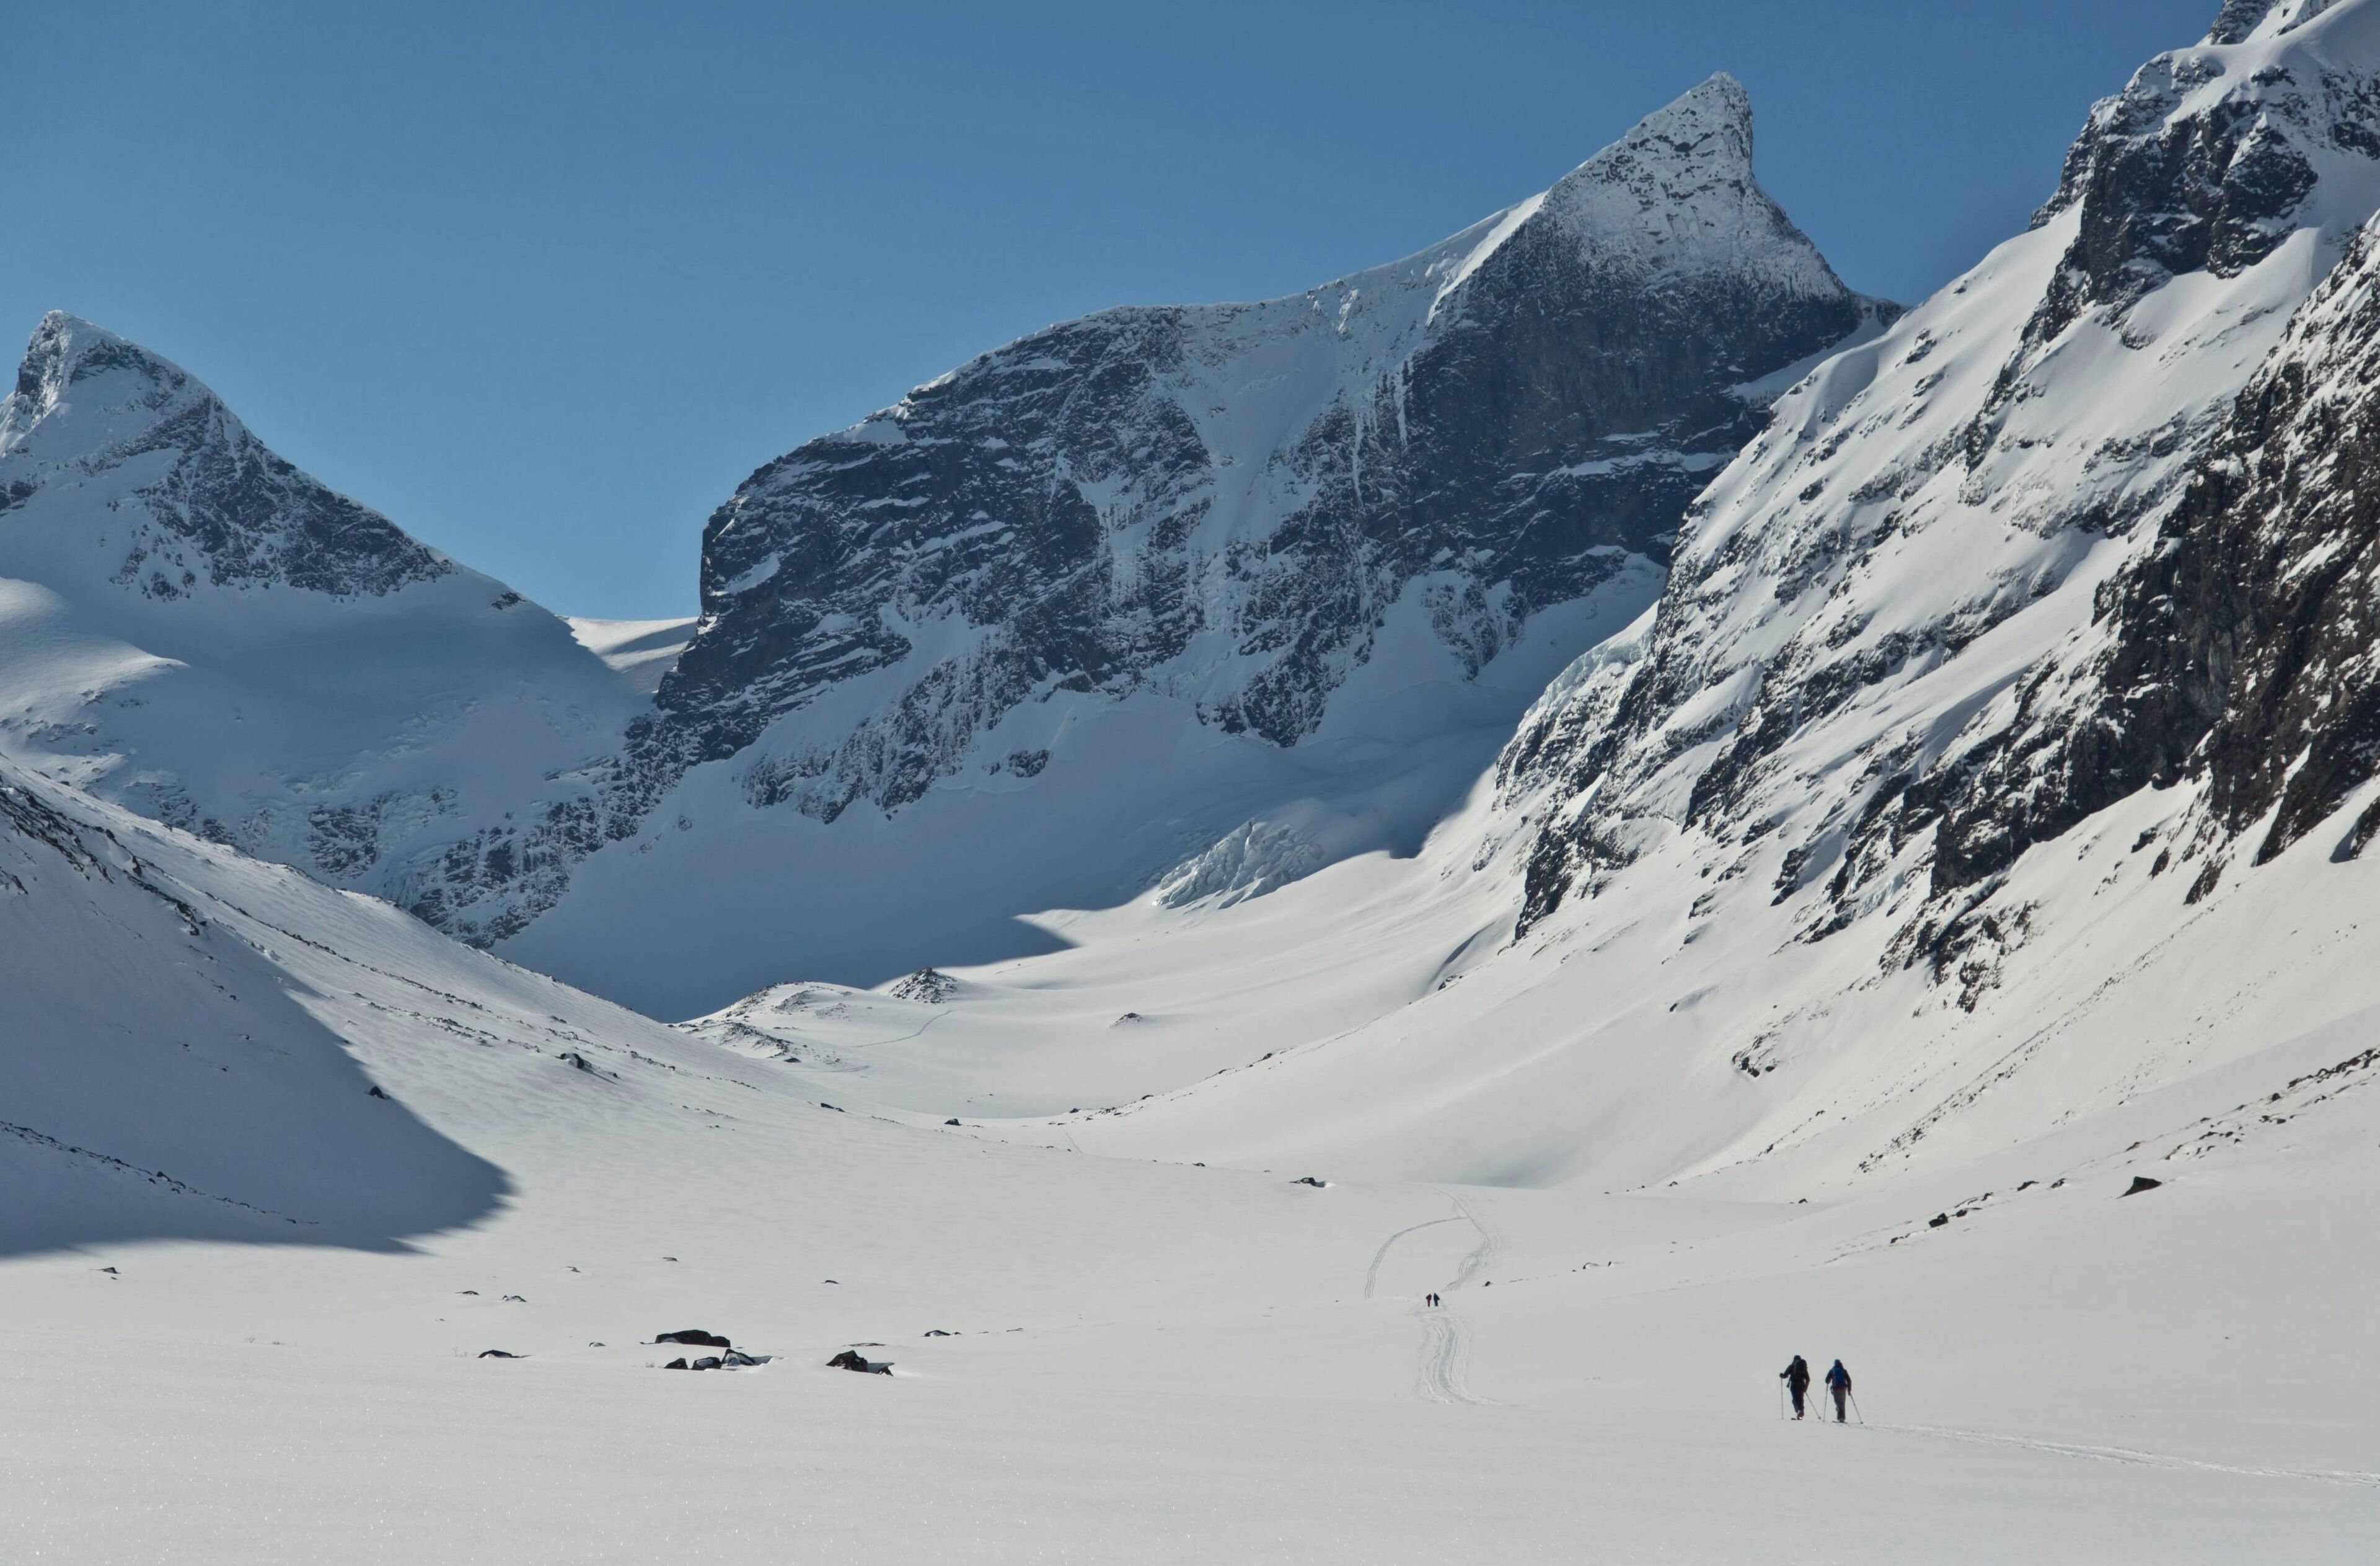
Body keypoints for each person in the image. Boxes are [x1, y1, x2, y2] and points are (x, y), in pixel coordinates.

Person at [1780, 1354, 1811, 1419]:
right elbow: (1808, 1379)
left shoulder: (1792, 1366)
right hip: (1802, 1386)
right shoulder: (1803, 1367)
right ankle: (1801, 1412)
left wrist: (1782, 1375)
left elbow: (1785, 1375)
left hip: (1794, 1385)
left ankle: (1799, 1411)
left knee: (1795, 1399)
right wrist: (1806, 1388)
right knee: (1801, 1400)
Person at [1825, 1359, 1853, 1423]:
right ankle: (1842, 1418)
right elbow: (1849, 1380)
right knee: (1842, 1403)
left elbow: (1827, 1380)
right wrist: (1849, 1390)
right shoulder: (1844, 1371)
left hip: (1836, 1389)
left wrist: (1829, 1381)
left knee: (1838, 1403)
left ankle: (1840, 1417)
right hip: (1843, 1389)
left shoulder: (1832, 1371)